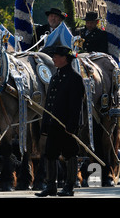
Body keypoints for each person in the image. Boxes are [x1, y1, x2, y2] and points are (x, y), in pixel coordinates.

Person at [35, 45, 85, 197]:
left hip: (66, 126)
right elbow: (49, 104)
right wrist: (45, 123)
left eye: (56, 56)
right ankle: (51, 186)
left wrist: (72, 125)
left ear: (65, 59)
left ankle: (69, 186)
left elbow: (76, 105)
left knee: (70, 154)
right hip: (54, 124)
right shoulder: (55, 77)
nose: (54, 59)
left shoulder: (74, 78)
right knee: (50, 154)